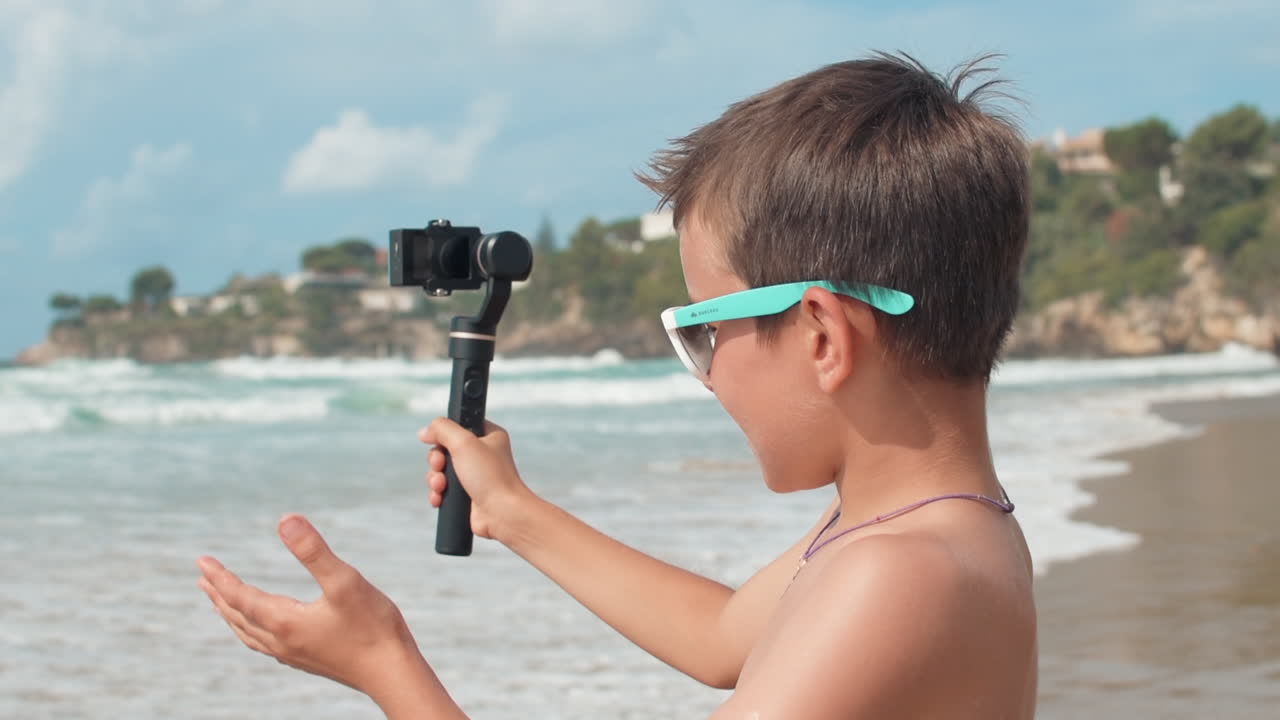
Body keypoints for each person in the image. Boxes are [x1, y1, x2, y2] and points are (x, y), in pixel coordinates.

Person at [197, 52, 1039, 719]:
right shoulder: (921, 525)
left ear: (821, 336)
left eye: (706, 330)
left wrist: (383, 661)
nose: (706, 374)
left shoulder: (898, 574)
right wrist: (512, 511)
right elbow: (721, 637)